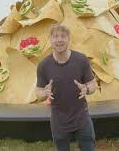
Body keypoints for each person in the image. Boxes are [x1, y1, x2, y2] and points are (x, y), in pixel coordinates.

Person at [35, 23, 98, 151]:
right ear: (50, 40)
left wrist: (87, 88)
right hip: (58, 121)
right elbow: (39, 92)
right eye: (55, 36)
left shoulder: (81, 59)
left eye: (63, 36)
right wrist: (45, 93)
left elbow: (93, 84)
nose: (59, 40)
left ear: (69, 39)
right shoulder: (44, 65)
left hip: (82, 117)